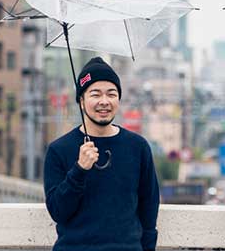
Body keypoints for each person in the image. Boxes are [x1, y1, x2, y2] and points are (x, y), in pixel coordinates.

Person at [44, 57, 159, 251]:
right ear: (81, 101)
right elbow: (58, 211)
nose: (104, 101)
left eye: (111, 94)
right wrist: (79, 170)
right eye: (95, 94)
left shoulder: (138, 147)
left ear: (118, 99)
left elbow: (149, 210)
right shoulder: (59, 150)